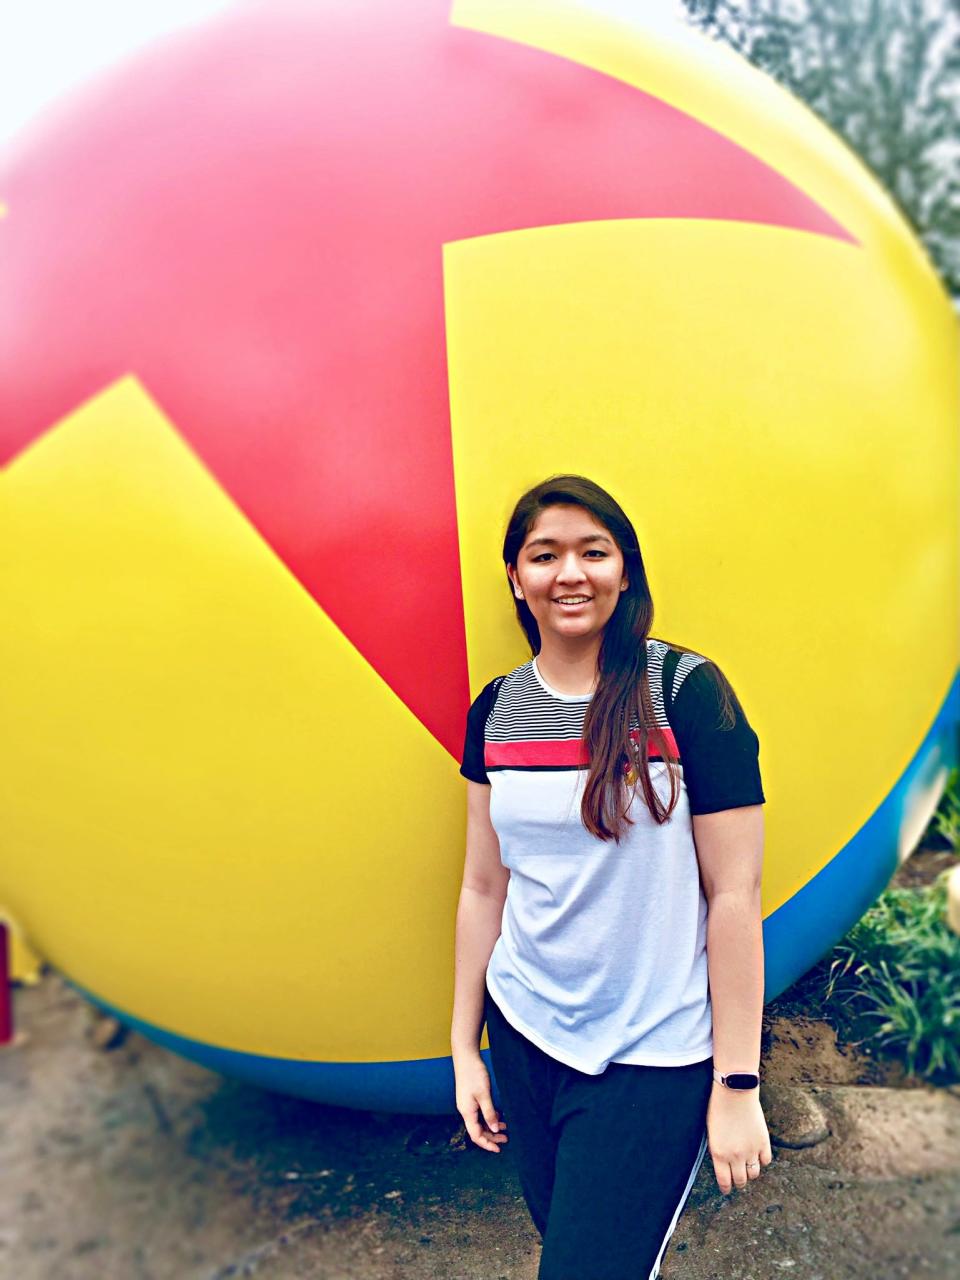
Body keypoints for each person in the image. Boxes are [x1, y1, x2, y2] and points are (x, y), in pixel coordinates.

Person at [450, 474, 772, 1280]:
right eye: (544, 554)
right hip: (524, 1033)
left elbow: (734, 895)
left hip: (651, 1057)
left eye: (593, 552)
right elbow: (484, 887)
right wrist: (464, 1045)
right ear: (516, 581)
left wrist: (737, 1082)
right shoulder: (495, 709)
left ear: (624, 571)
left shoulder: (687, 693)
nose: (570, 573)